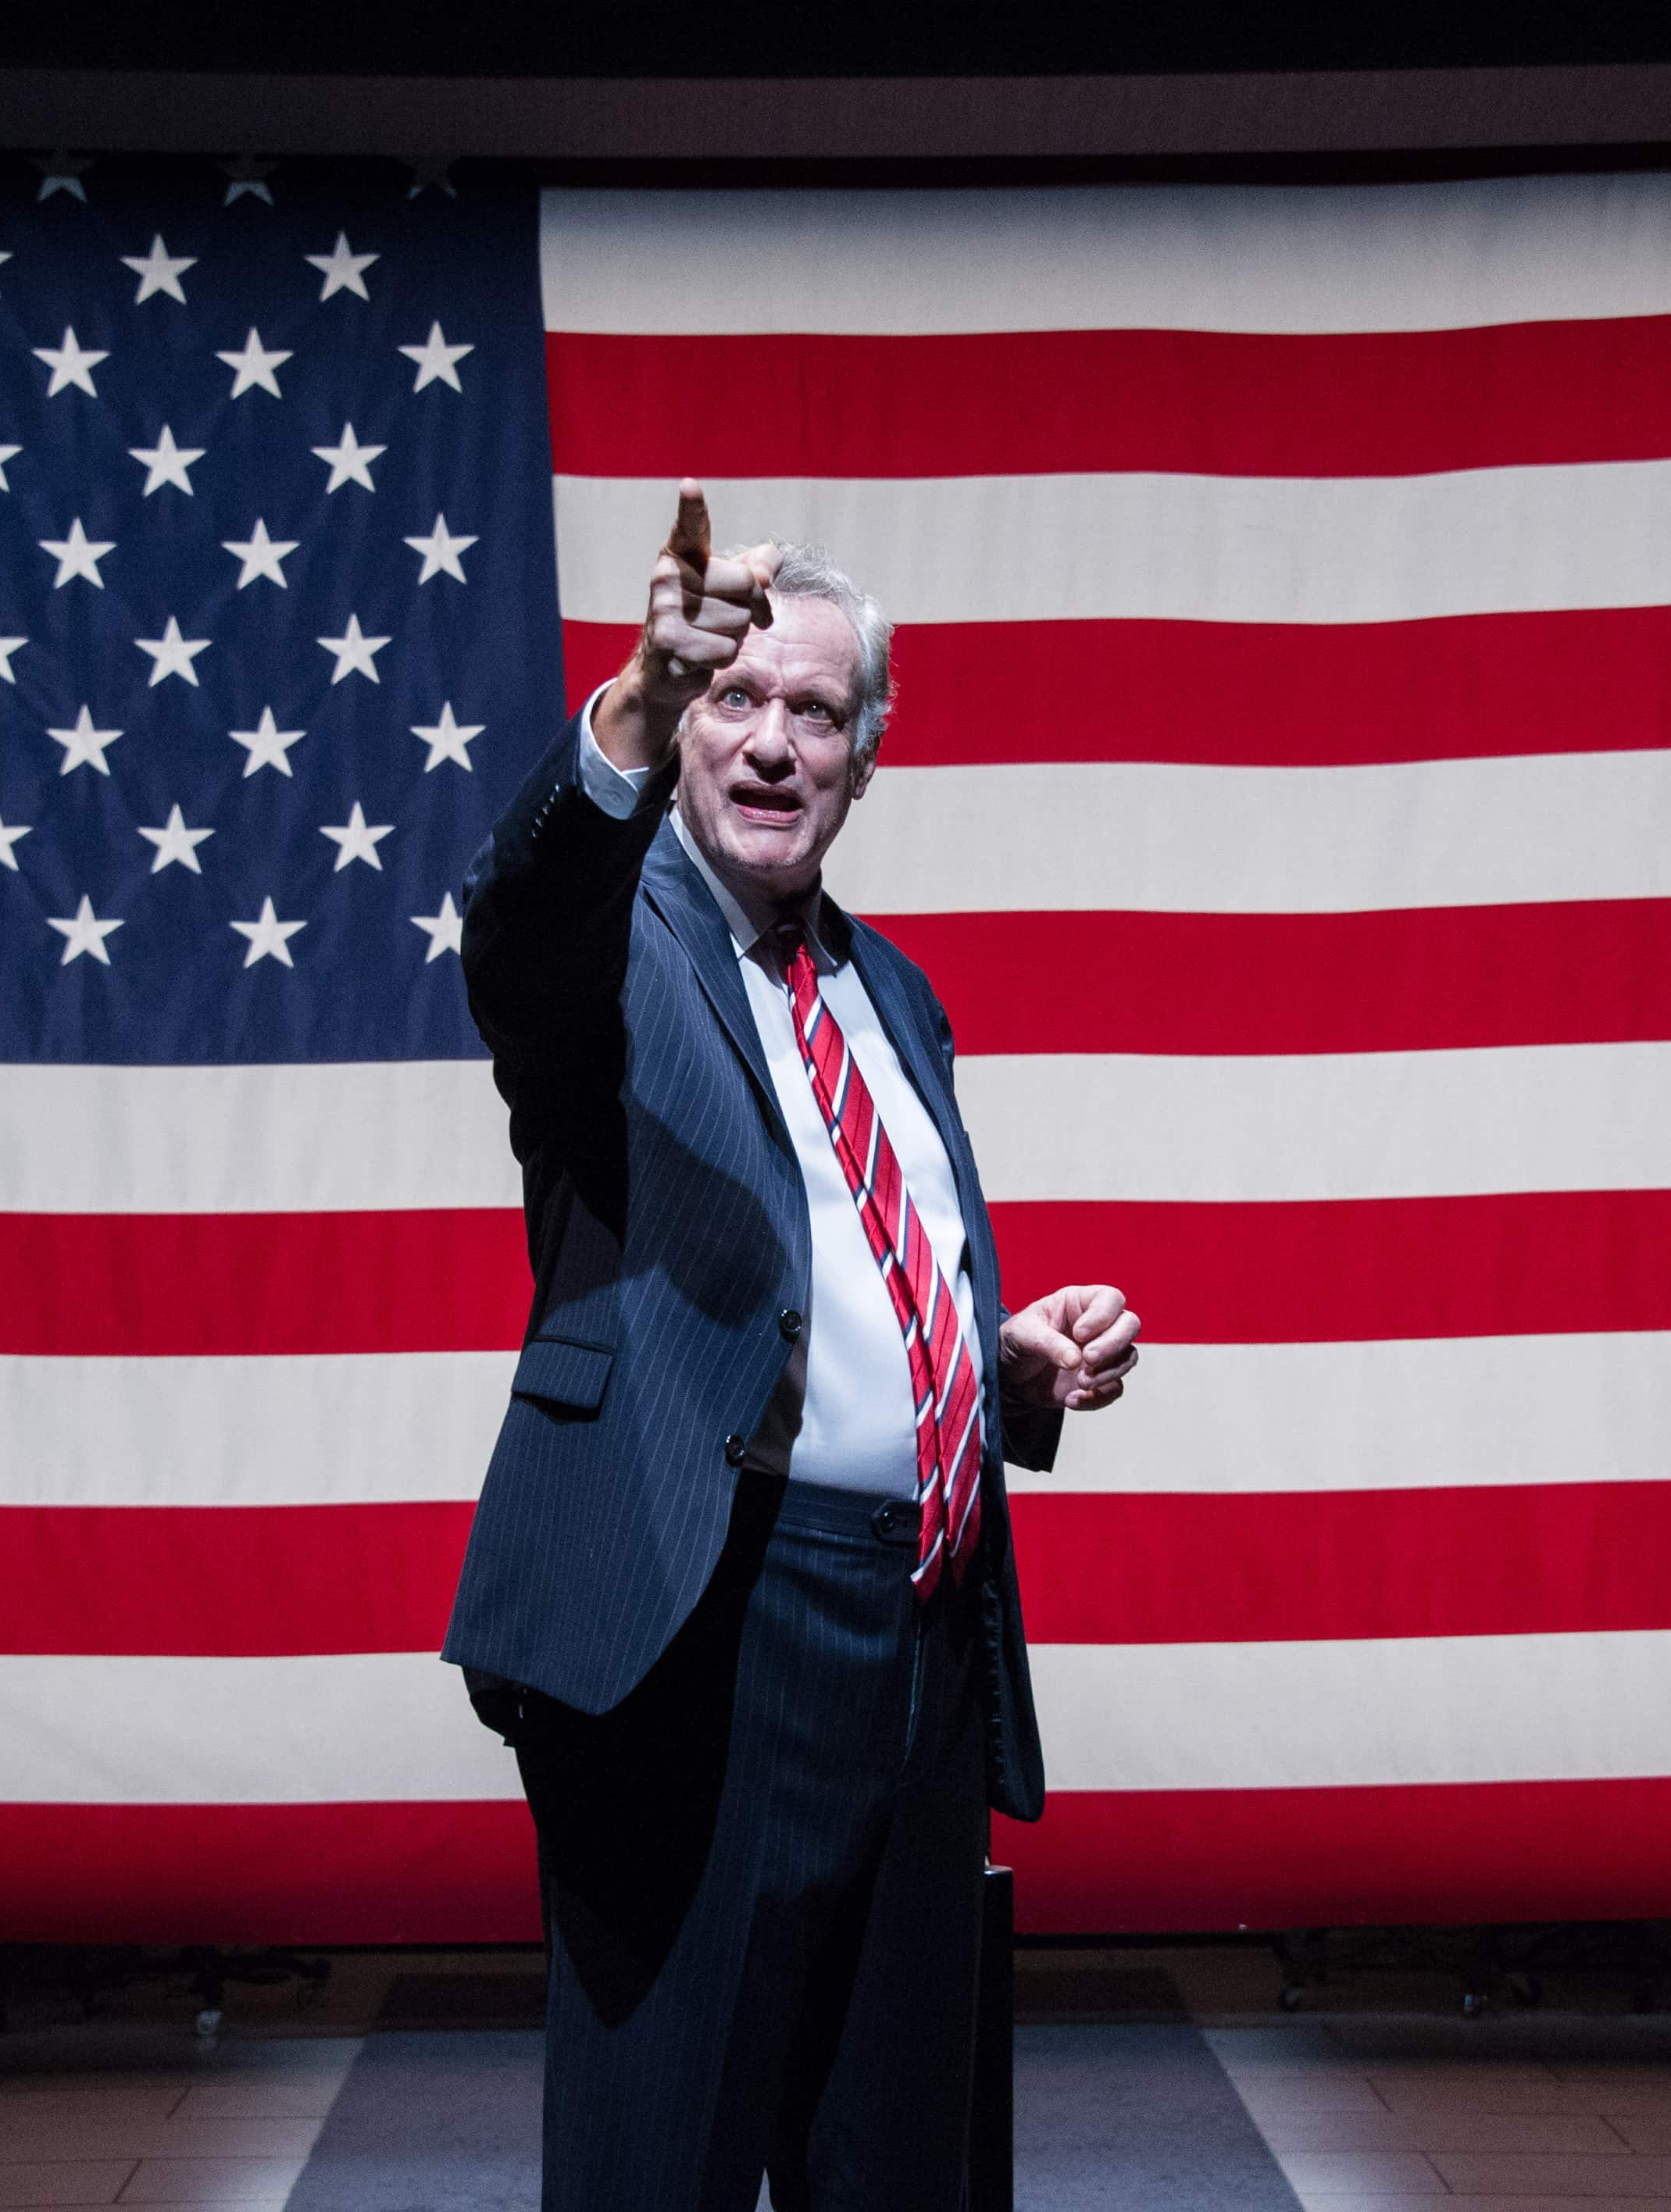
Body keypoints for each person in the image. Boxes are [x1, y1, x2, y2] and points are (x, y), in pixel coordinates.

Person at [445, 480, 1141, 2210]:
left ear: (864, 760)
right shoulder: (617, 947)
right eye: (733, 699)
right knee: (660, 2162)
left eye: (815, 713)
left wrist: (991, 1366)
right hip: (700, 1630)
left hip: (920, 1642)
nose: (770, 742)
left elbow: (831, 1275)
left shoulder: (894, 994)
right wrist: (628, 700)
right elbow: (518, 927)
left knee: (895, 2166)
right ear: (686, 729)